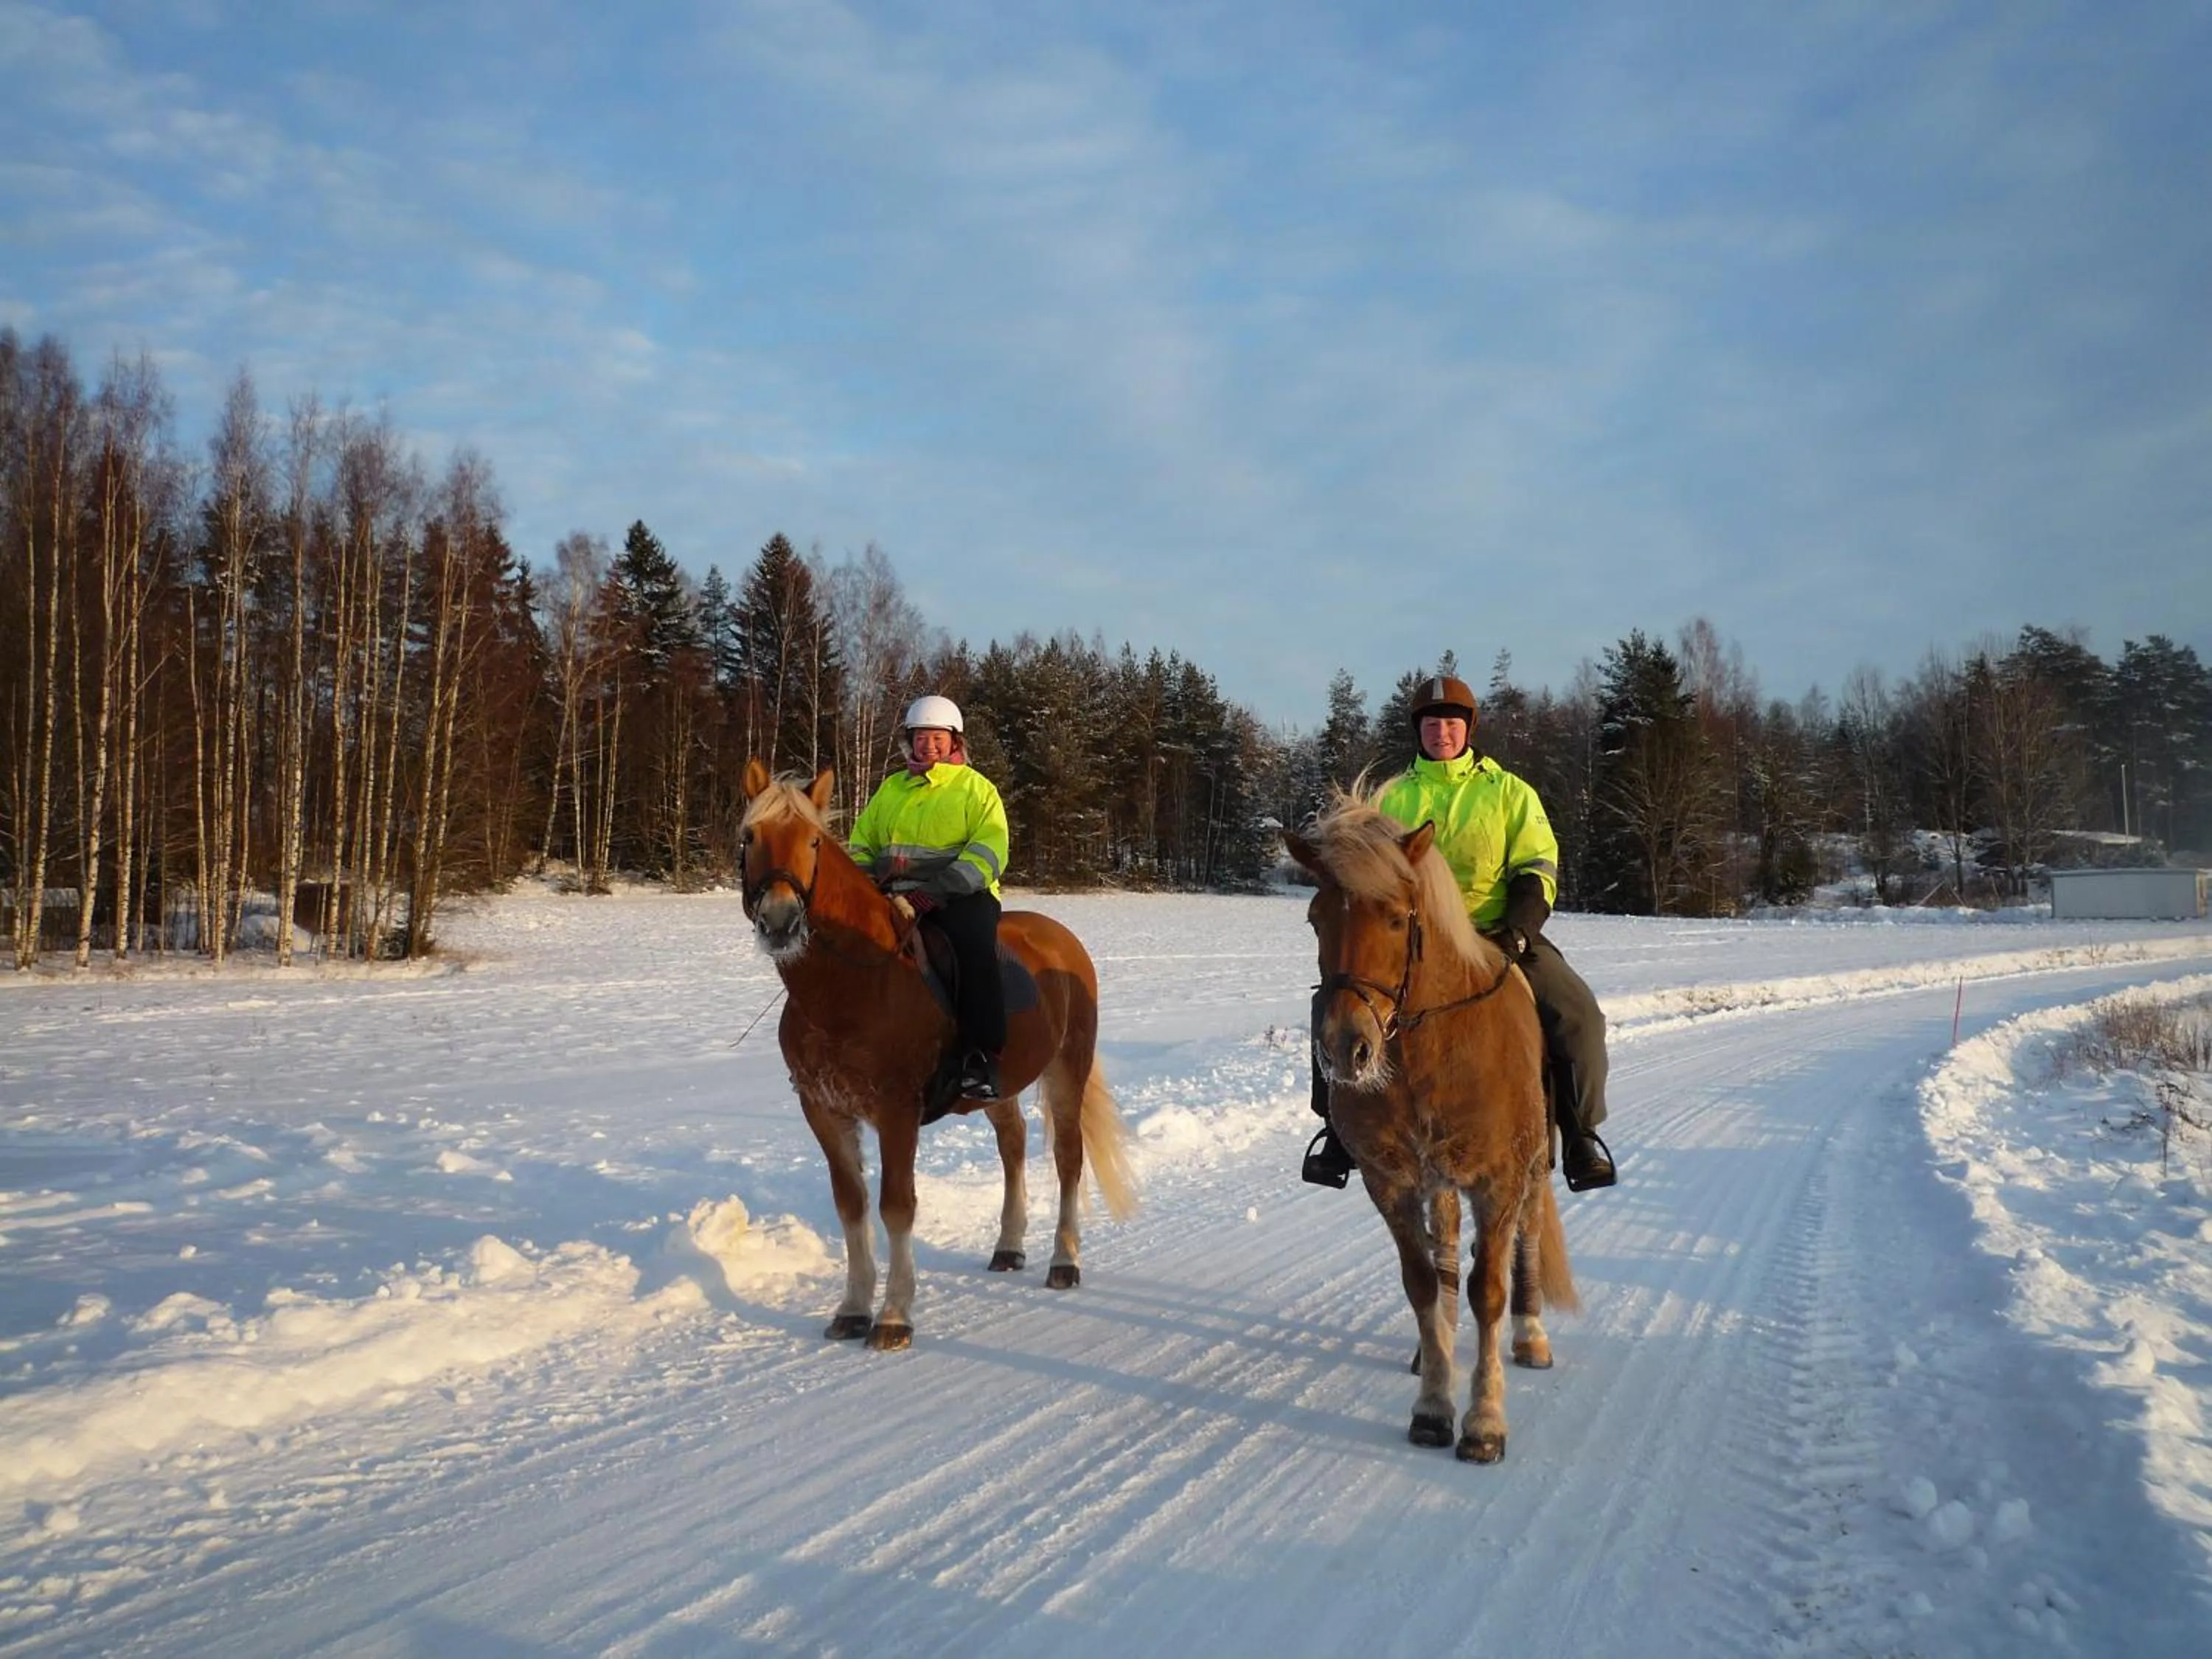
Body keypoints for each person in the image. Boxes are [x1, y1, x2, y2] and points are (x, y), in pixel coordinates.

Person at [1302, 673, 1618, 1193]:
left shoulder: (1509, 793)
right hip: (1412, 942)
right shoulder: (1393, 799)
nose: (1441, 733)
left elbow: (1537, 867)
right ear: (1418, 731)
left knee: (1577, 1013)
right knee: (1334, 1003)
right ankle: (1336, 1131)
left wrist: (1519, 931)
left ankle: (1580, 1133)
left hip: (1495, 932)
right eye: (1431, 724)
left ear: (1469, 728)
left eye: (1451, 723)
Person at [849, 695, 1012, 1102]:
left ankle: (981, 1056)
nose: (930, 746)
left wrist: (936, 891)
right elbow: (862, 841)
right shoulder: (892, 788)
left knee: (973, 948)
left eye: (938, 738)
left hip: (962, 895)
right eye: (922, 738)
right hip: (892, 894)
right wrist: (865, 878)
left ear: (955, 741)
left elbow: (990, 852)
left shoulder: (977, 789)